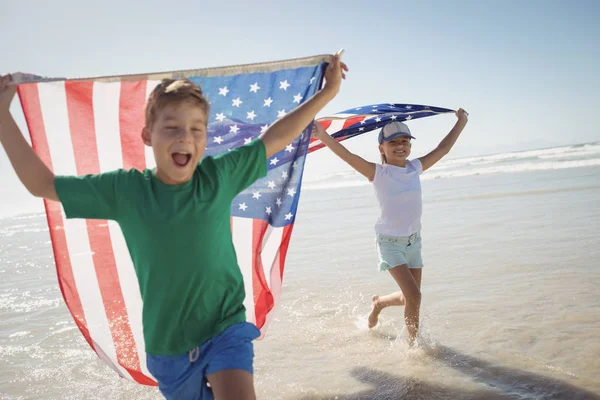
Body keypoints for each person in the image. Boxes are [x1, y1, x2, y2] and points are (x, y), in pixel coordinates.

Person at [0, 51, 348, 400]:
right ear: (148, 135)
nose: (185, 136)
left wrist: (327, 93)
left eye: (196, 129)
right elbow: (42, 184)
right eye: (171, 127)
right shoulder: (126, 190)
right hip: (169, 349)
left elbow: (274, 138)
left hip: (225, 327)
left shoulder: (219, 176)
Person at [311, 109, 468, 346]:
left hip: (414, 241)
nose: (400, 146)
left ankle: (380, 303)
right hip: (390, 243)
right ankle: (412, 346)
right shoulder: (378, 173)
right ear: (381, 148)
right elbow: (347, 155)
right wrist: (323, 136)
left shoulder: (415, 167)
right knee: (415, 296)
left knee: (410, 298)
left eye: (404, 141)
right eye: (393, 142)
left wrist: (461, 122)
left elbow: (443, 149)